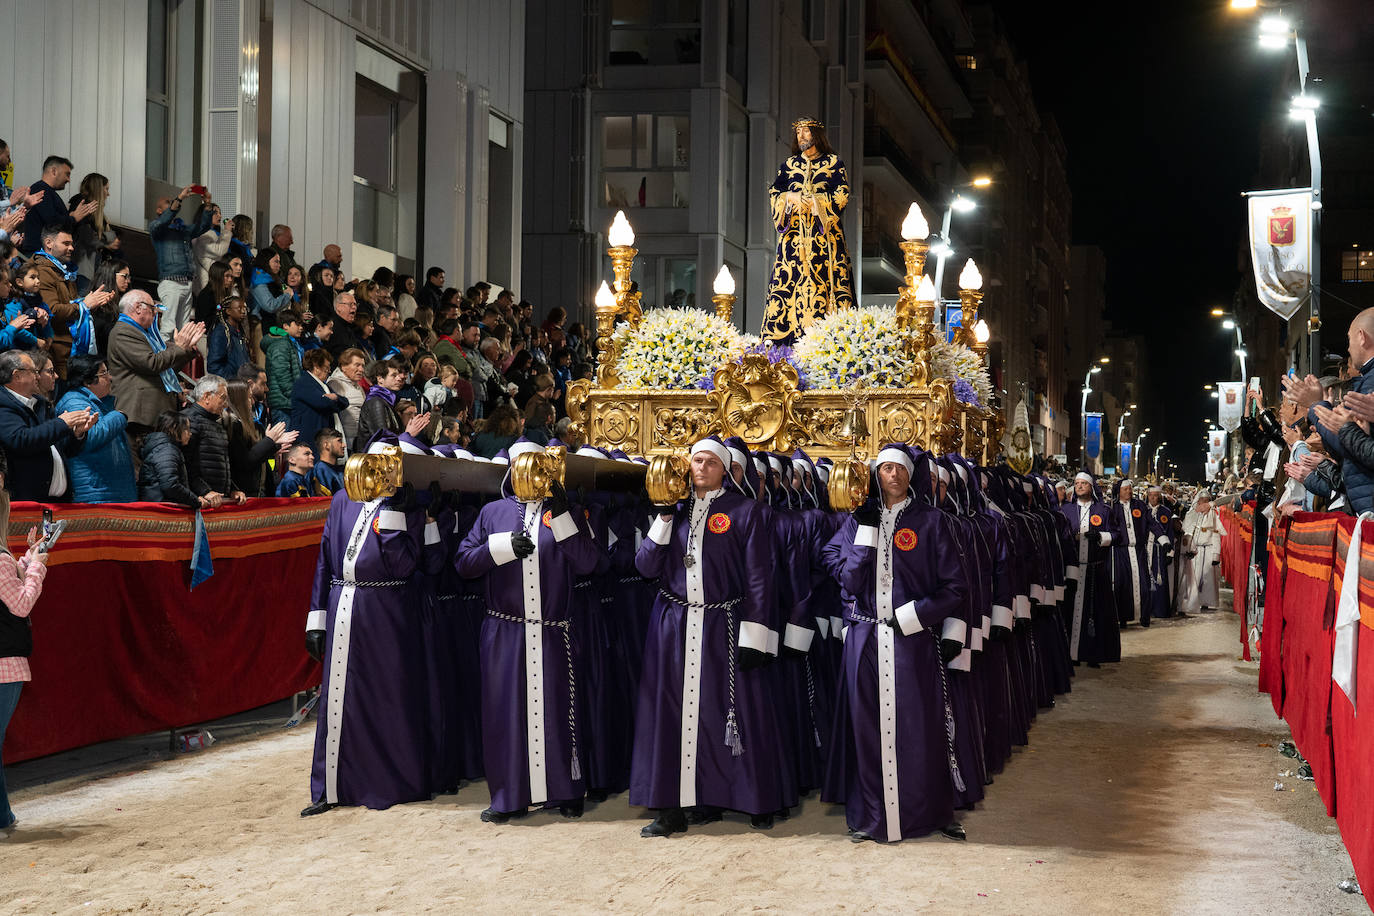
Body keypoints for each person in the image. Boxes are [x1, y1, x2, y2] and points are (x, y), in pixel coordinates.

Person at [631, 436, 785, 836]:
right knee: (671, 715)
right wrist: (663, 519)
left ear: (725, 470)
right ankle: (672, 806)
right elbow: (646, 567)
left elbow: (759, 578)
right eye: (696, 461)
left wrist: (756, 636)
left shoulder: (747, 511)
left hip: (725, 625)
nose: (701, 468)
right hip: (675, 625)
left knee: (733, 711)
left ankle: (749, 797)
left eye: (710, 462)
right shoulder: (673, 512)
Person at [820, 445, 967, 843]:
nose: (894, 476)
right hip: (865, 639)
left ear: (910, 475)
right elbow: (849, 581)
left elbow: (954, 588)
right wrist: (866, 532)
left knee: (920, 727)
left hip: (911, 640)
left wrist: (911, 617)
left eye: (900, 469)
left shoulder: (931, 521)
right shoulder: (856, 523)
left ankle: (926, 813)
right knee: (866, 728)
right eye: (885, 469)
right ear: (876, 475)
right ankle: (872, 817)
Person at [762, 118, 855, 345]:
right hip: (793, 240)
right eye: (798, 133)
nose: (801, 136)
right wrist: (791, 198)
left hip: (824, 239)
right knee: (787, 282)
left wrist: (815, 202)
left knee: (828, 283)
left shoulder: (833, 163)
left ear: (816, 135)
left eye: (806, 132)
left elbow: (842, 193)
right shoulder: (789, 165)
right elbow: (775, 192)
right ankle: (782, 341)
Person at [0, 476, 52, 835]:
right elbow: (19, 604)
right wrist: (35, 567)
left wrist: (25, 561)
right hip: (7, 665)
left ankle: (3, 818)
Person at [106, 289, 203, 440]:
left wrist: (187, 349)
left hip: (155, 412)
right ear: (138, 308)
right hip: (140, 413)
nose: (155, 313)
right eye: (152, 308)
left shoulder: (145, 334)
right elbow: (152, 363)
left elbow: (165, 368)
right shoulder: (123, 331)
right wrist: (179, 348)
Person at [0, 350, 93, 500]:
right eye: (33, 371)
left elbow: (60, 449)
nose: (37, 376)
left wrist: (76, 434)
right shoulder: (3, 405)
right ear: (17, 375)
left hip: (57, 502)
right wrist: (62, 423)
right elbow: (21, 439)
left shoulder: (41, 404)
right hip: (25, 502)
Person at [34, 224, 114, 377]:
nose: (71, 248)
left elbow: (71, 304)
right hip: (56, 349)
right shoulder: (41, 270)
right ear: (49, 243)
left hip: (68, 347)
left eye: (72, 244)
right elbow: (52, 310)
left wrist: (92, 303)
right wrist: (84, 305)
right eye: (66, 243)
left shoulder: (62, 269)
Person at [54, 355, 136, 502]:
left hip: (110, 490)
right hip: (95, 491)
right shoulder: (74, 402)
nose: (110, 378)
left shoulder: (99, 402)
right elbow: (90, 436)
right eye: (104, 373)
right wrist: (119, 416)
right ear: (87, 381)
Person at [1058, 472, 1120, 666]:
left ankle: (1094, 654)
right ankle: (1072, 654)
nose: (1079, 486)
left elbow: (1117, 534)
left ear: (1091, 487)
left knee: (1096, 613)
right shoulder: (1065, 510)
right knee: (1071, 612)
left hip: (1095, 570)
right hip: (1073, 569)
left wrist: (1101, 536)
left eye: (1083, 483)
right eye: (1076, 483)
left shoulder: (1103, 510)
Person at [149, 187, 214, 340]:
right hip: (170, 282)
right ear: (159, 210)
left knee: (183, 329)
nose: (171, 202)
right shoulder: (156, 228)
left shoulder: (182, 230)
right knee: (168, 327)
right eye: (167, 202)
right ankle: (163, 361)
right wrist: (180, 198)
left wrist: (208, 204)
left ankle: (177, 363)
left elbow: (203, 226)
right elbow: (164, 220)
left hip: (187, 282)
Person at [226, 377, 295, 497]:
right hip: (244, 492)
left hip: (259, 490)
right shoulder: (233, 425)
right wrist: (269, 441)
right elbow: (245, 462)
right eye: (248, 397)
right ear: (238, 400)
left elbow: (258, 455)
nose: (252, 402)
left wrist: (273, 447)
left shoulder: (253, 425)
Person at [181, 375, 239, 505]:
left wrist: (233, 490)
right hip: (200, 500)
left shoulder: (216, 422)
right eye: (223, 398)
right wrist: (204, 491)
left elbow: (222, 463)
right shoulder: (189, 421)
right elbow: (184, 464)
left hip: (216, 499)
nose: (225, 404)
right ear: (206, 396)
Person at [354, 358, 429, 453]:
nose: (399, 378)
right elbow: (383, 441)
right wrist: (408, 434)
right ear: (380, 379)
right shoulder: (376, 402)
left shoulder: (387, 401)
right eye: (394, 375)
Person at [137, 410, 207, 507]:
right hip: (162, 509)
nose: (190, 433)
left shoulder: (164, 448)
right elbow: (170, 485)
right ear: (174, 428)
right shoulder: (166, 449)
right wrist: (195, 500)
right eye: (187, 428)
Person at [17, 155, 81, 256]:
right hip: (38, 254)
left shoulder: (48, 192)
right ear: (54, 171)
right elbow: (52, 221)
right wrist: (73, 218)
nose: (68, 180)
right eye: (67, 174)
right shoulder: (40, 191)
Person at [67, 172, 117, 293]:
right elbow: (88, 237)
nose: (108, 194)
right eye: (106, 189)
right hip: (80, 268)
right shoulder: (82, 206)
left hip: (88, 268)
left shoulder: (97, 215)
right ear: (99, 189)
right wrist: (104, 241)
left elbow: (111, 238)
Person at [291, 349, 349, 449]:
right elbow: (323, 403)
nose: (329, 371)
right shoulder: (304, 383)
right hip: (309, 438)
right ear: (316, 367)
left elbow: (345, 402)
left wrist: (335, 397)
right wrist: (334, 401)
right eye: (326, 368)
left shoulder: (322, 385)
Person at [1179, 491, 1222, 613]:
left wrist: (1216, 555)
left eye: (1206, 501)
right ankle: (1191, 602)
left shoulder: (1213, 516)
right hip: (1194, 551)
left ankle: (1206, 602)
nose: (1204, 504)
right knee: (1193, 578)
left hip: (1208, 550)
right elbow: (1186, 531)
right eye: (1201, 501)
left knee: (1207, 579)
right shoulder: (1191, 514)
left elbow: (1216, 536)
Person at [263, 308, 306, 421]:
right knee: (283, 438)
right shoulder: (281, 344)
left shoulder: (287, 342)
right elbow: (281, 373)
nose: (301, 328)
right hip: (283, 404)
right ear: (285, 326)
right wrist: (295, 395)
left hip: (286, 402)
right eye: (297, 324)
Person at [327, 347, 367, 448]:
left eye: (363, 366)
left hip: (360, 437)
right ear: (344, 366)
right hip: (345, 440)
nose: (361, 369)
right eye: (357, 365)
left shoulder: (358, 386)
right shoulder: (335, 384)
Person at [207, 295, 252, 379]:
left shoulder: (240, 332)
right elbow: (214, 366)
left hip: (243, 383)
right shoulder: (220, 333)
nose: (243, 311)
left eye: (245, 308)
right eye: (239, 308)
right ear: (228, 311)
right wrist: (232, 380)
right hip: (231, 384)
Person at [191, 202, 231, 294]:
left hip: (217, 280)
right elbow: (219, 251)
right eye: (215, 213)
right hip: (207, 283)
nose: (220, 216)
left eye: (220, 213)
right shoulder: (203, 235)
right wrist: (227, 231)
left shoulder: (215, 233)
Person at [249, 250, 293, 327]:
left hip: (275, 323)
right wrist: (287, 295)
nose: (279, 265)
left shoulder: (274, 278)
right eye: (276, 262)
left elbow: (285, 289)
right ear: (265, 261)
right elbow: (270, 306)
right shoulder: (258, 280)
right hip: (264, 326)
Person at [312, 428, 346, 495]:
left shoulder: (341, 469)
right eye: (339, 441)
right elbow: (324, 501)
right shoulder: (321, 470)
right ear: (326, 445)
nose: (344, 445)